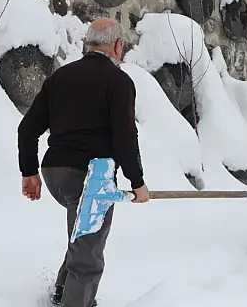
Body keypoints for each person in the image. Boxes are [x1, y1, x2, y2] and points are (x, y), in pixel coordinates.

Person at [18, 18, 150, 307]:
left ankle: (61, 293)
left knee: (82, 236)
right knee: (88, 259)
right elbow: (125, 136)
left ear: (86, 44)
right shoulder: (119, 81)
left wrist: (29, 172)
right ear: (118, 46)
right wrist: (137, 182)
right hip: (92, 178)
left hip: (54, 173)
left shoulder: (60, 77)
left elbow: (27, 128)